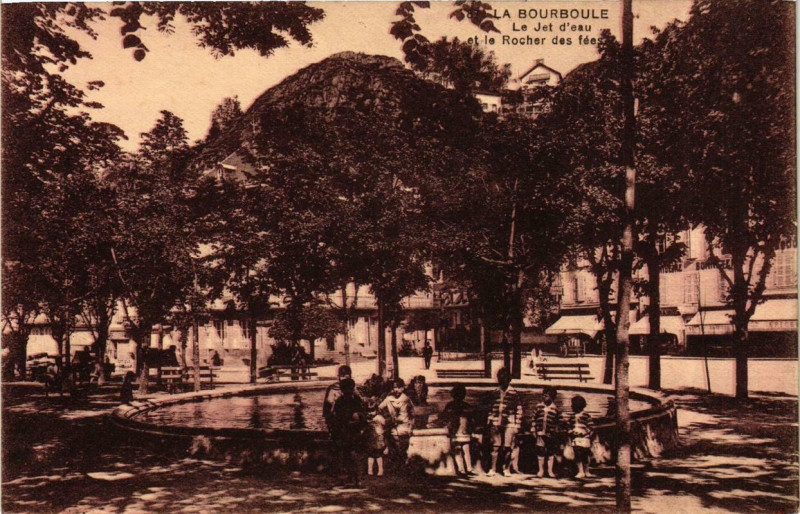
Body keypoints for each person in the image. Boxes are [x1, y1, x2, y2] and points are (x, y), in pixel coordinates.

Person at [485, 367, 522, 477]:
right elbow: (491, 408)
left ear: (509, 380)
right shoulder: (495, 393)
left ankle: (506, 468)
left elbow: (518, 410)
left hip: (509, 423)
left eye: (505, 379)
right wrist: (490, 420)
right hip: (496, 422)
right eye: (500, 379)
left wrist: (517, 424)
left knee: (507, 447)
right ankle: (493, 468)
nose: (503, 381)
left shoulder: (514, 394)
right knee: (495, 446)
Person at [332, 378, 367, 486]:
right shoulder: (339, 402)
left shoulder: (356, 399)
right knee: (347, 455)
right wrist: (350, 420)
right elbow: (338, 419)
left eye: (351, 389)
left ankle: (358, 478)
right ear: (342, 390)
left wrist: (359, 418)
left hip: (355, 431)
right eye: (346, 390)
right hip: (345, 432)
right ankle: (350, 477)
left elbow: (362, 414)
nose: (349, 391)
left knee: (356, 456)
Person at [379, 377, 414, 468]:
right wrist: (387, 416)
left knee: (403, 445)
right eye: (394, 387)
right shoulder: (389, 398)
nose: (396, 389)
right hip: (394, 425)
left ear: (403, 388)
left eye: (399, 387)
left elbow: (412, 413)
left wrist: (411, 424)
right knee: (391, 440)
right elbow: (379, 408)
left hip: (405, 424)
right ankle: (396, 461)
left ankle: (402, 462)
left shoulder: (406, 399)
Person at [441, 384, 475, 476]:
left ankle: (464, 469)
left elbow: (444, 417)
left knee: (460, 451)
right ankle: (466, 469)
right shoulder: (465, 406)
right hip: (460, 431)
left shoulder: (451, 406)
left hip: (459, 431)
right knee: (464, 450)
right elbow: (472, 419)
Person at [533, 386, 561, 478]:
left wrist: (556, 431)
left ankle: (550, 471)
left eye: (547, 395)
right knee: (540, 450)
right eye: (544, 394)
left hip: (550, 433)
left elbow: (558, 422)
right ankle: (540, 470)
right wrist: (533, 429)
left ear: (552, 397)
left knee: (550, 452)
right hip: (540, 432)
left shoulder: (555, 409)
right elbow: (534, 418)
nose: (544, 396)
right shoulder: (538, 406)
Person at [568, 395, 594, 479]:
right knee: (577, 454)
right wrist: (570, 431)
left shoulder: (586, 416)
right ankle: (580, 471)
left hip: (585, 438)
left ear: (578, 406)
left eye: (573, 405)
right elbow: (569, 427)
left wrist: (586, 433)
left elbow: (591, 427)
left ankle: (587, 470)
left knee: (585, 455)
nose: (571, 406)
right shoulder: (572, 417)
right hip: (575, 438)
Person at [323, 365, 355, 432]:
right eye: (343, 376)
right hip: (337, 418)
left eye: (348, 375)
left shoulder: (352, 387)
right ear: (339, 377)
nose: (345, 377)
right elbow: (327, 409)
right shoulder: (332, 389)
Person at [364, 400, 387, 477]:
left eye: (372, 411)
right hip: (370, 438)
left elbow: (384, 425)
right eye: (368, 411)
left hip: (378, 438)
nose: (370, 413)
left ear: (376, 411)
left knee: (378, 454)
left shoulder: (379, 418)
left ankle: (380, 470)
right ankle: (369, 471)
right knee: (370, 455)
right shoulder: (367, 419)